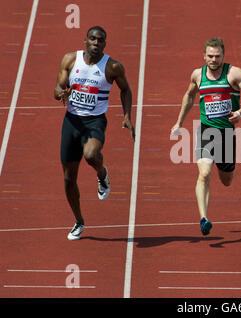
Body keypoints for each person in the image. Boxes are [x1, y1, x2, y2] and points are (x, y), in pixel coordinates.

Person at [54, 26, 135, 240]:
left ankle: (102, 174)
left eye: (100, 40)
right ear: (85, 40)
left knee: (91, 155)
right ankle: (79, 221)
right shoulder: (70, 60)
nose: (96, 43)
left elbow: (125, 89)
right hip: (71, 122)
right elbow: (57, 89)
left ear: (105, 44)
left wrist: (127, 116)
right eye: (92, 39)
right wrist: (60, 93)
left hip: (94, 121)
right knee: (68, 179)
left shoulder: (113, 66)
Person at [171, 38, 241, 235]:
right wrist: (179, 122)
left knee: (226, 180)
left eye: (217, 56)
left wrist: (240, 113)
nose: (213, 59)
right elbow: (189, 95)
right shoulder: (197, 75)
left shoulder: (234, 74)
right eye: (210, 56)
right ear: (204, 56)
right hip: (207, 131)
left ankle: (225, 169)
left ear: (223, 56)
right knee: (204, 174)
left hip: (227, 135)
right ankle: (204, 218)